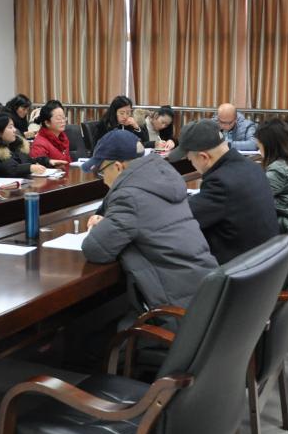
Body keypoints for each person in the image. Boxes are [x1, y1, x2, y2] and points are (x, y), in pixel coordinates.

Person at [82, 130, 217, 310]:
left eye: (101, 172)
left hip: (176, 309)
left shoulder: (129, 196)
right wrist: (109, 222)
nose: (103, 181)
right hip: (204, 292)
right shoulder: (163, 180)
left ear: (118, 167)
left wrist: (102, 227)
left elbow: (95, 249)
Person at [167, 120, 279, 264]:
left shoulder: (220, 183)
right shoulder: (252, 167)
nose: (192, 164)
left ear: (204, 157)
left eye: (190, 160)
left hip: (238, 268)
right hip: (265, 261)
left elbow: (181, 217)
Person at [0, 112, 54, 178]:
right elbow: (5, 170)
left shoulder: (14, 146)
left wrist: (47, 161)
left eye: (14, 127)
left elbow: (27, 161)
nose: (14, 130)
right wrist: (29, 168)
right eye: (10, 127)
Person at [29, 100, 73, 165]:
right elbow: (39, 168)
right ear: (47, 123)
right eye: (59, 118)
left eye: (64, 118)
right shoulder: (39, 144)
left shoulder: (63, 138)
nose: (63, 121)